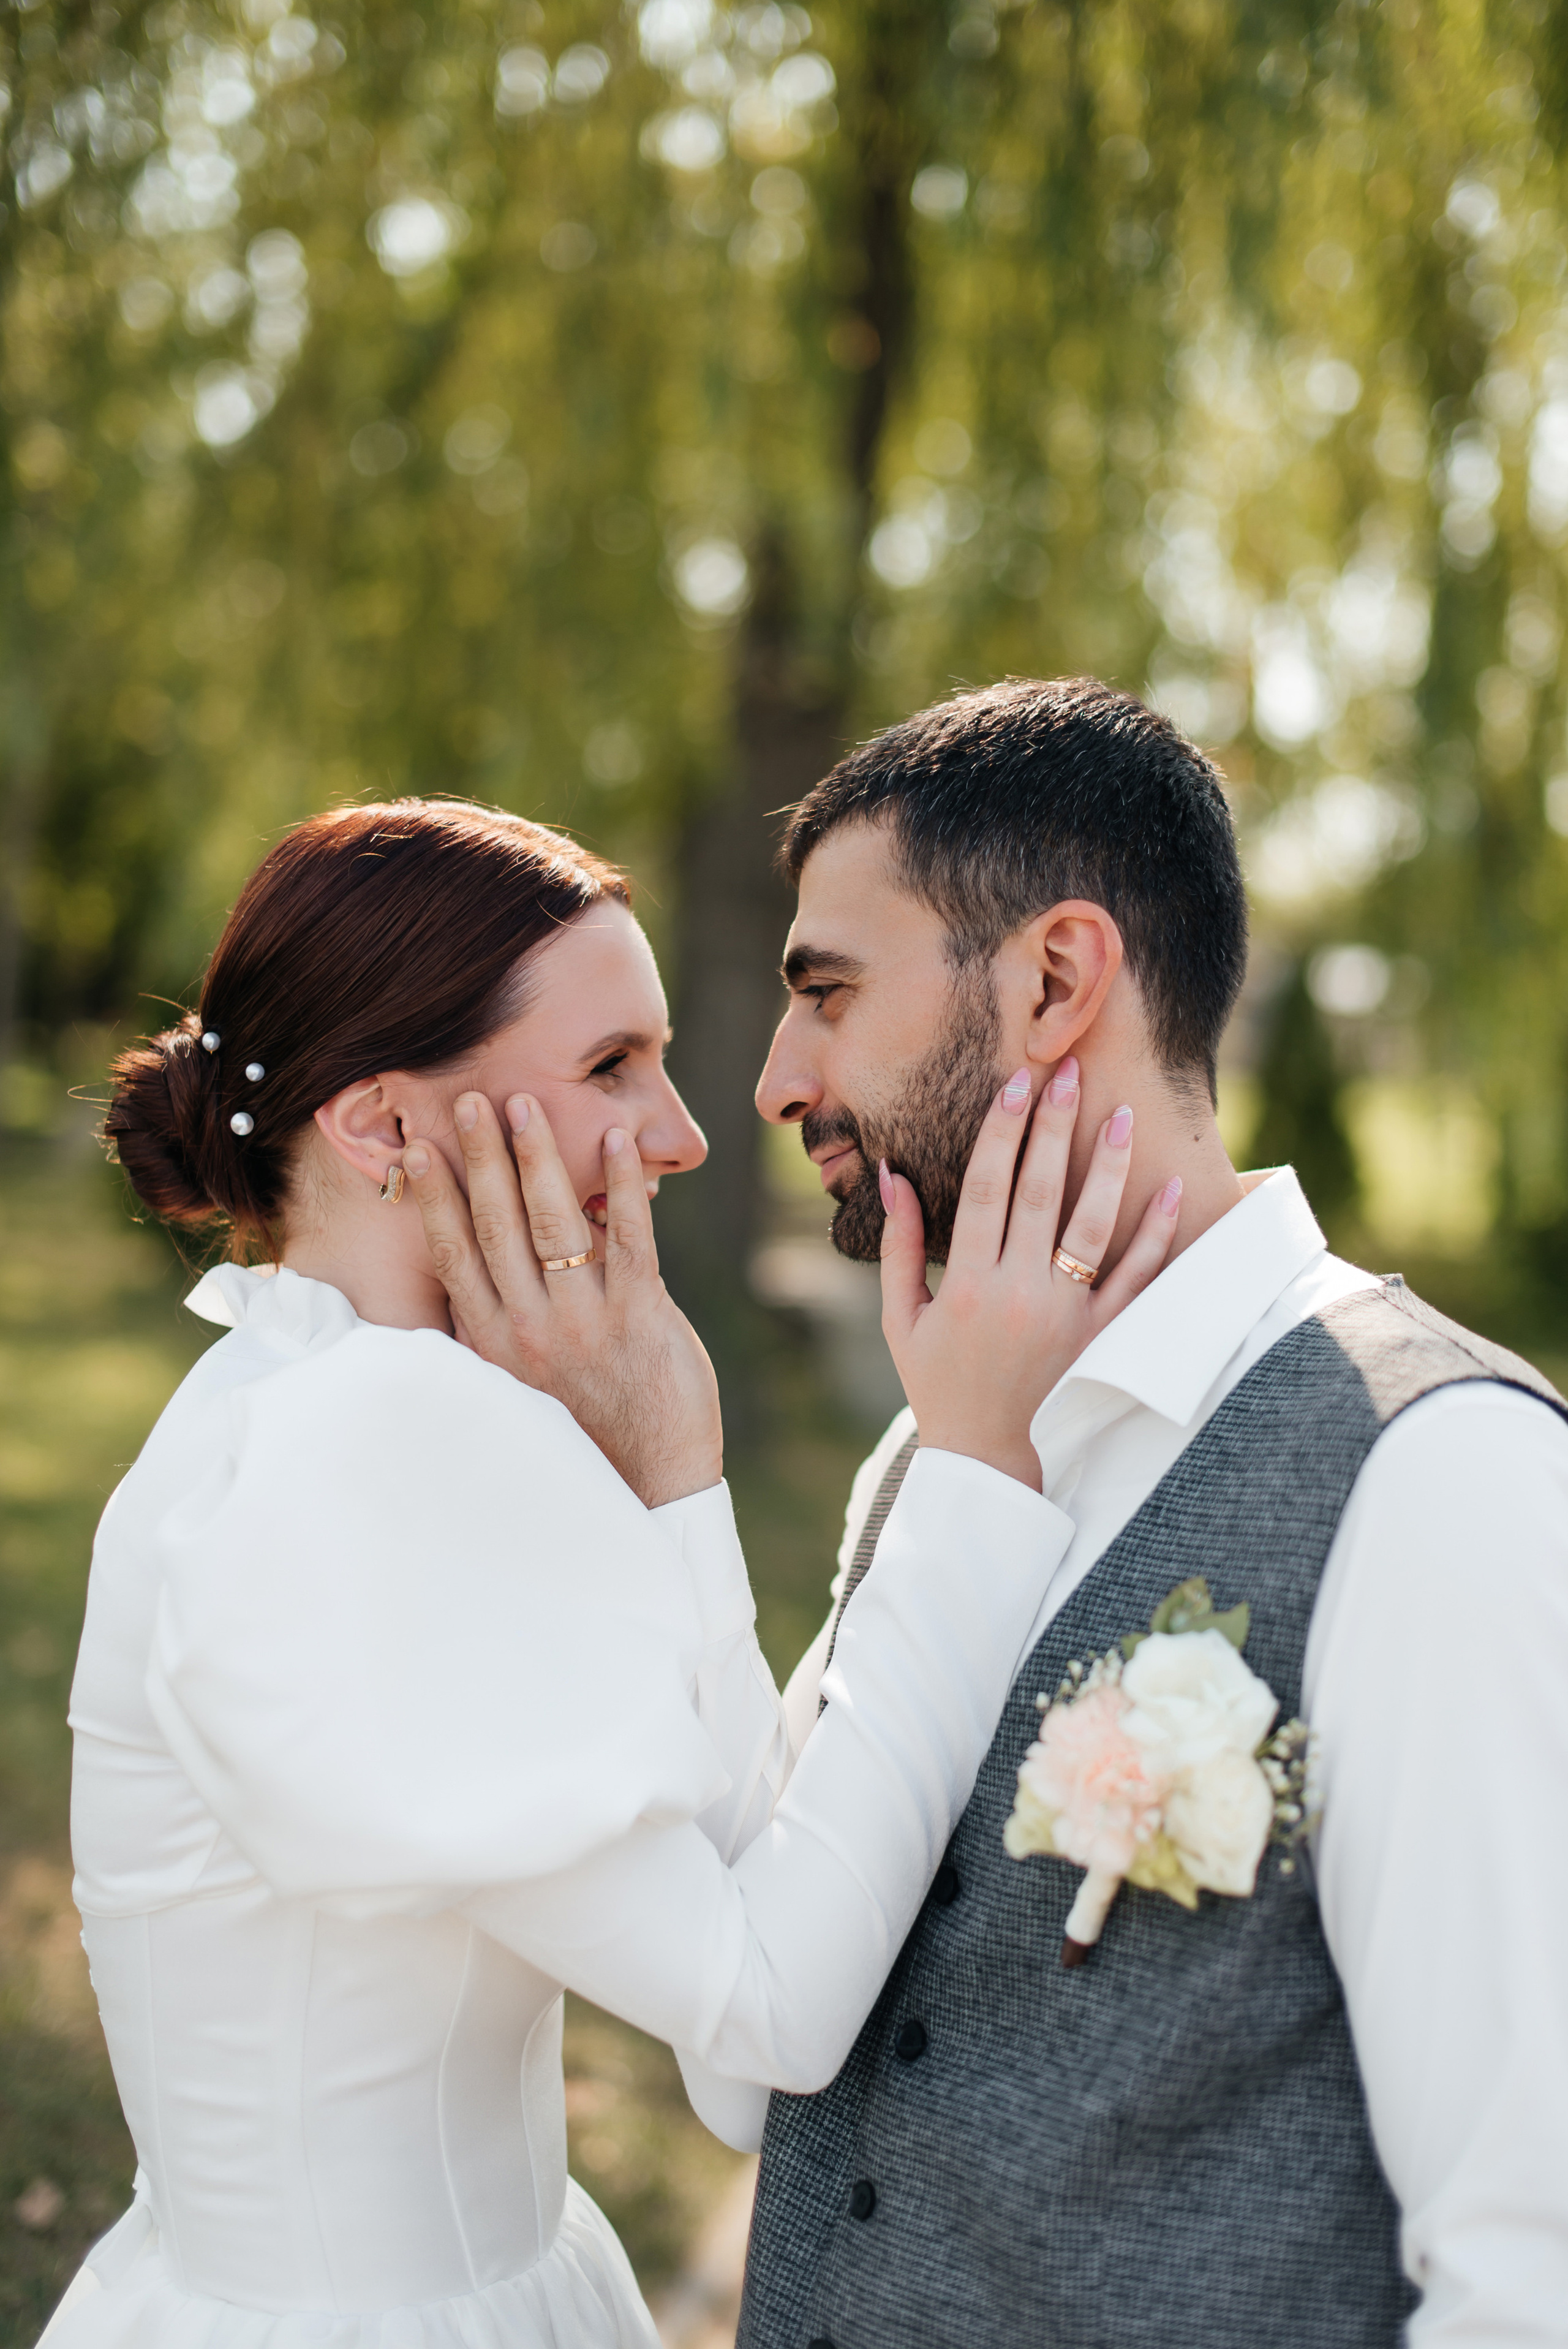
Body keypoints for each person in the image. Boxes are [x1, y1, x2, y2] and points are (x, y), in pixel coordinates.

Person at [46, 796, 1180, 2349]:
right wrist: (976, 1473)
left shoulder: (345, 1401)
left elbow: (735, 1964)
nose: (683, 1135)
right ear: (381, 1129)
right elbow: (773, 2018)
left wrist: (671, 1479)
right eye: (607, 1069)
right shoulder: (347, 1459)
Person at [723, 678, 1568, 2347]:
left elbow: (1529, 2260)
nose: (771, 1077)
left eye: (826, 992)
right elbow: (751, 2053)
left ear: (1053, 980)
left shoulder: (1441, 1478)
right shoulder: (931, 1457)